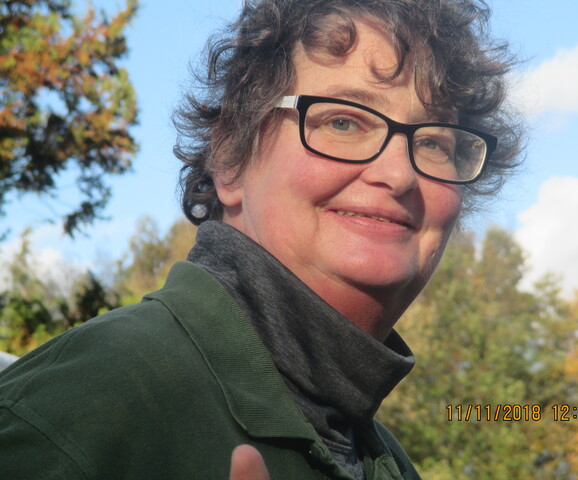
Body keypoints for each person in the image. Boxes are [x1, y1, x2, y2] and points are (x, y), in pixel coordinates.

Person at [0, 0, 522, 478]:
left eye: (434, 142)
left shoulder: (387, 462)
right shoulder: (82, 411)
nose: (399, 174)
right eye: (343, 122)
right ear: (230, 158)